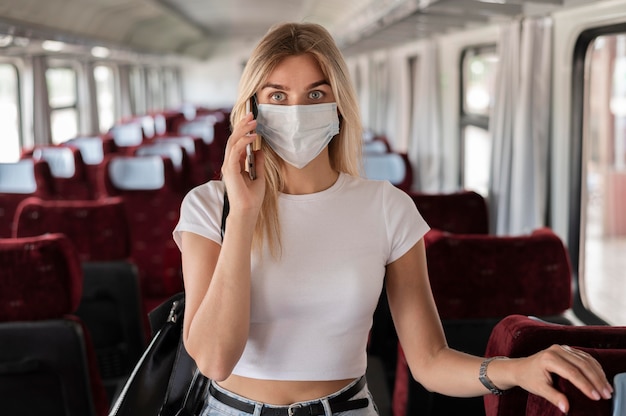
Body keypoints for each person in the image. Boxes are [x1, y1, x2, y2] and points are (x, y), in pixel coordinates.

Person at [173, 22, 613, 416]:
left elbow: (429, 361)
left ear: (339, 106)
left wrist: (515, 370)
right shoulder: (209, 206)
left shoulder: (387, 207)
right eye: (277, 96)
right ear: (252, 109)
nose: (297, 110)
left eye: (316, 94)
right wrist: (245, 213)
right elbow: (213, 359)